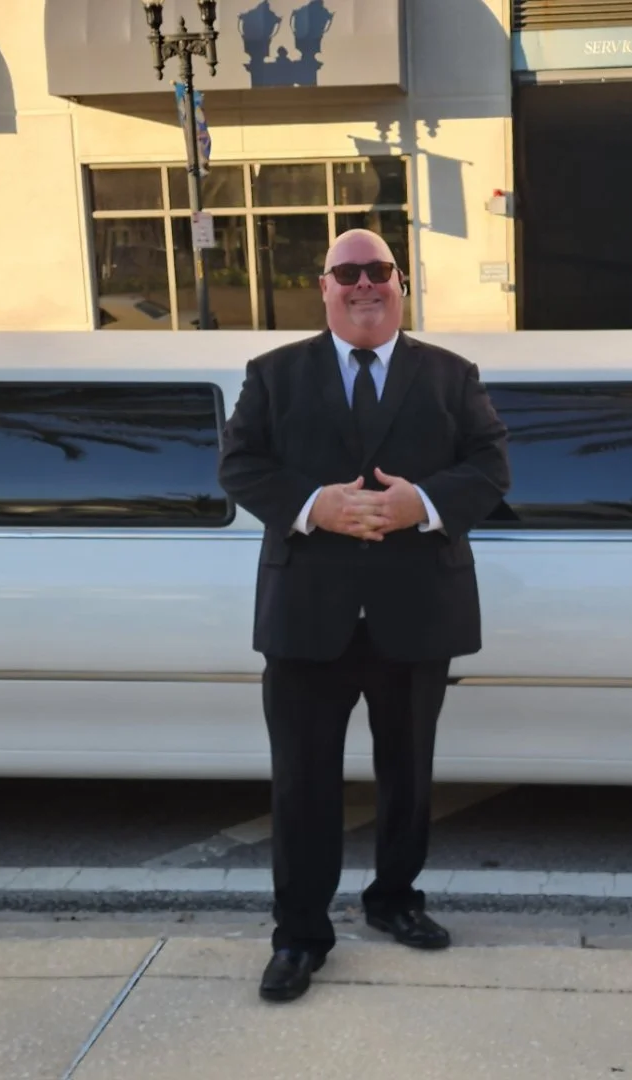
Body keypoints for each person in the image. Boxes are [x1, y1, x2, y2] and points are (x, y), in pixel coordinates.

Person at [218, 228, 510, 1003]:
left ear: (400, 284)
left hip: (417, 611)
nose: (363, 284)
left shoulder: (451, 376)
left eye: (378, 271)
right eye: (346, 273)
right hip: (307, 617)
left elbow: (490, 464)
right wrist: (316, 506)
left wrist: (423, 502)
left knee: (408, 775)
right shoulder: (273, 374)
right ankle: (299, 936)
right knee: (301, 784)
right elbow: (240, 463)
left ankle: (394, 901)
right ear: (323, 287)